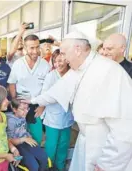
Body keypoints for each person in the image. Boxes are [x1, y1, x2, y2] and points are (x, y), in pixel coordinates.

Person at [23, 31, 132, 171]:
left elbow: (124, 128)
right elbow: (56, 92)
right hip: (85, 141)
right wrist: (33, 100)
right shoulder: (80, 69)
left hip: (103, 147)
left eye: (64, 53)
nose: (63, 58)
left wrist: (108, 164)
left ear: (78, 50)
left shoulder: (110, 71)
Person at [8, 34, 50, 145]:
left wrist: (42, 105)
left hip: (37, 107)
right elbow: (12, 83)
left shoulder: (45, 65)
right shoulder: (18, 64)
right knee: (19, 137)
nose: (35, 51)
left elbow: (48, 88)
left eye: (37, 47)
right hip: (21, 106)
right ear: (25, 48)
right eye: (31, 48)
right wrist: (15, 103)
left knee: (37, 137)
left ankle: (36, 160)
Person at [42, 49, 74, 171]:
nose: (58, 64)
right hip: (53, 119)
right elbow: (45, 96)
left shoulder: (72, 74)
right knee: (51, 148)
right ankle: (48, 169)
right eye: (55, 61)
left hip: (67, 118)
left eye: (61, 60)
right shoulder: (51, 76)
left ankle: (60, 168)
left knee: (63, 147)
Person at [6, 99, 48, 171]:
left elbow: (24, 129)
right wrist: (24, 139)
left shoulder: (22, 115)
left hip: (25, 141)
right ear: (14, 109)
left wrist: (28, 136)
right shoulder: (11, 121)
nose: (26, 111)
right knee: (34, 165)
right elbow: (9, 141)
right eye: (23, 109)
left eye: (27, 108)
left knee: (44, 158)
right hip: (17, 145)